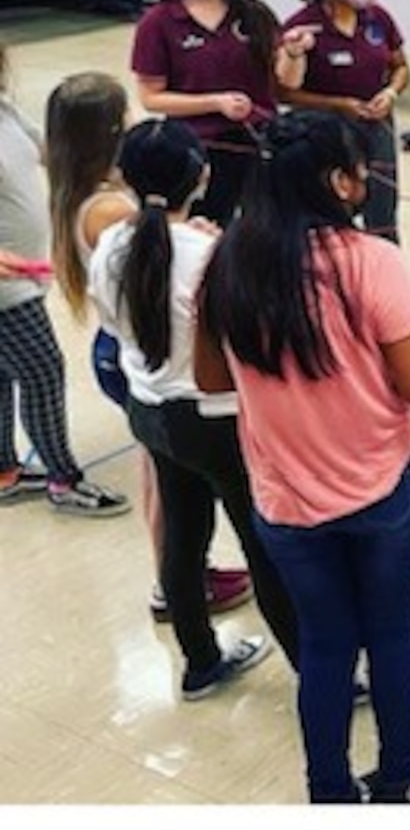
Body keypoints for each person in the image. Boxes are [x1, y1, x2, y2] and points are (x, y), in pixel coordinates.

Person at [194, 111, 410, 804]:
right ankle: (401, 778)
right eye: (359, 168)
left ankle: (328, 791)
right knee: (393, 634)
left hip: (284, 497)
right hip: (382, 484)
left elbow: (212, 380)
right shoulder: (370, 261)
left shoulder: (228, 262)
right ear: (337, 181)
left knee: (326, 647)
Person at [89, 119, 300, 699]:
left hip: (150, 409)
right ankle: (317, 669)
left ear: (125, 181)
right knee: (264, 545)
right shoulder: (212, 252)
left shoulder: (111, 244)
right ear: (201, 177)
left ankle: (200, 661)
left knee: (184, 535)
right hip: (216, 419)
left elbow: (111, 326)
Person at [46, 72, 250, 608]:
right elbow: (161, 259)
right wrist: (199, 240)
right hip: (143, 340)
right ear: (110, 131)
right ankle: (175, 580)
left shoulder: (91, 191)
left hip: (135, 335)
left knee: (168, 473)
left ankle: (185, 573)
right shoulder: (114, 212)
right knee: (168, 481)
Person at [0, 47, 129, 515]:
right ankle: (63, 479)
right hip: (6, 288)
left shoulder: (4, 110)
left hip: (23, 275)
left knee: (3, 374)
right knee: (41, 370)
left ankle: (5, 469)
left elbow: (49, 152)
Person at [130, 0, 313, 226]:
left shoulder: (253, 13)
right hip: (199, 147)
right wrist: (215, 103)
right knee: (209, 230)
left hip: (258, 142)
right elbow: (151, 98)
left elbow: (287, 82)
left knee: (269, 227)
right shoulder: (158, 22)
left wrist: (294, 53)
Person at [281, 0, 410, 242]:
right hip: (325, 134)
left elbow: (401, 67)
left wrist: (390, 92)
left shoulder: (377, 17)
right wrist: (337, 105)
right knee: (328, 212)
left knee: (383, 209)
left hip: (375, 126)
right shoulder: (302, 28)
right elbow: (284, 94)